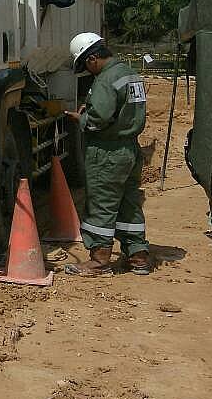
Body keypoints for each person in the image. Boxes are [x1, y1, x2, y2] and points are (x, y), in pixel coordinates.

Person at [64, 33, 150, 276]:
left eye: (86, 65)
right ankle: (138, 257)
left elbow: (100, 118)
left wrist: (82, 119)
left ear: (92, 58)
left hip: (107, 152)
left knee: (102, 203)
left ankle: (99, 260)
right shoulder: (130, 74)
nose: (88, 71)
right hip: (130, 149)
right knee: (129, 203)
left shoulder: (106, 79)